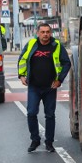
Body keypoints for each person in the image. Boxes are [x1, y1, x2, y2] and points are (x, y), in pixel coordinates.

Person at [18, 23, 71, 153]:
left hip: (50, 88)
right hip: (34, 87)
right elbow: (22, 59)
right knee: (31, 113)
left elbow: (66, 63)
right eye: (42, 32)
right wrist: (21, 75)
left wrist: (59, 80)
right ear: (38, 33)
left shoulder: (57, 46)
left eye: (48, 32)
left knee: (50, 115)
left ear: (51, 33)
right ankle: (35, 140)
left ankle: (49, 142)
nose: (45, 34)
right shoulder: (31, 45)